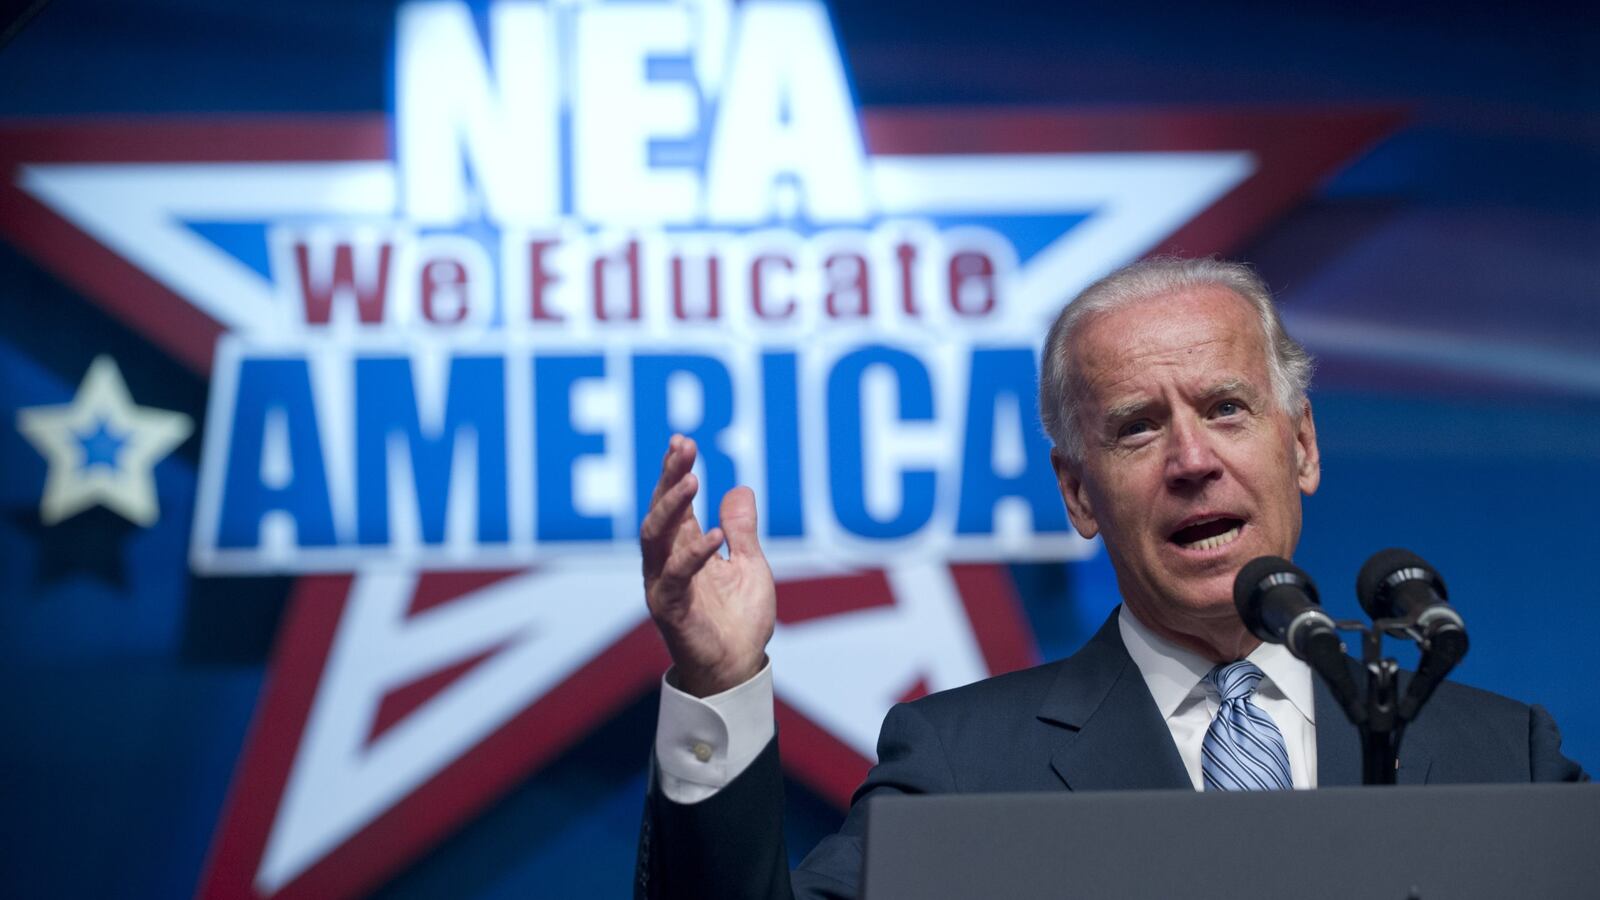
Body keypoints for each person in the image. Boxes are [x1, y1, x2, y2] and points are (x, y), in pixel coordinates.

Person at [632, 257, 1587, 900]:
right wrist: (720, 682)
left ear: (1301, 444)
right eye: (1138, 427)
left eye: (1226, 408)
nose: (1192, 460)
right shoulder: (963, 769)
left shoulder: (1507, 757)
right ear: (1079, 493)